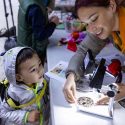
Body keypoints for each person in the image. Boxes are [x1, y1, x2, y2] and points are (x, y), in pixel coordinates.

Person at [63, 0, 125, 105]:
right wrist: (71, 75)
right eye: (86, 23)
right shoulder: (109, 25)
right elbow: (83, 49)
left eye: (94, 19)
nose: (91, 29)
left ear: (111, 6)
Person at [0, 47, 49, 125]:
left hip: (44, 120)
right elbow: (3, 113)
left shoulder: (40, 79)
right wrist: (26, 116)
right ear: (19, 77)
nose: (40, 70)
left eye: (39, 64)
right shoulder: (13, 93)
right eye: (33, 70)